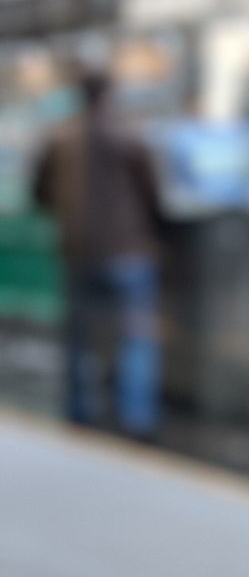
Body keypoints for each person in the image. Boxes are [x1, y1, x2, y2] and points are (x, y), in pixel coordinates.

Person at [33, 65, 164, 440]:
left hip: (79, 252)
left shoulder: (59, 137)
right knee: (136, 336)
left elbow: (38, 193)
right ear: (110, 94)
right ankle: (137, 421)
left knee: (80, 337)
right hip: (128, 251)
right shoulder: (129, 136)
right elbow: (153, 195)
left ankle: (80, 414)